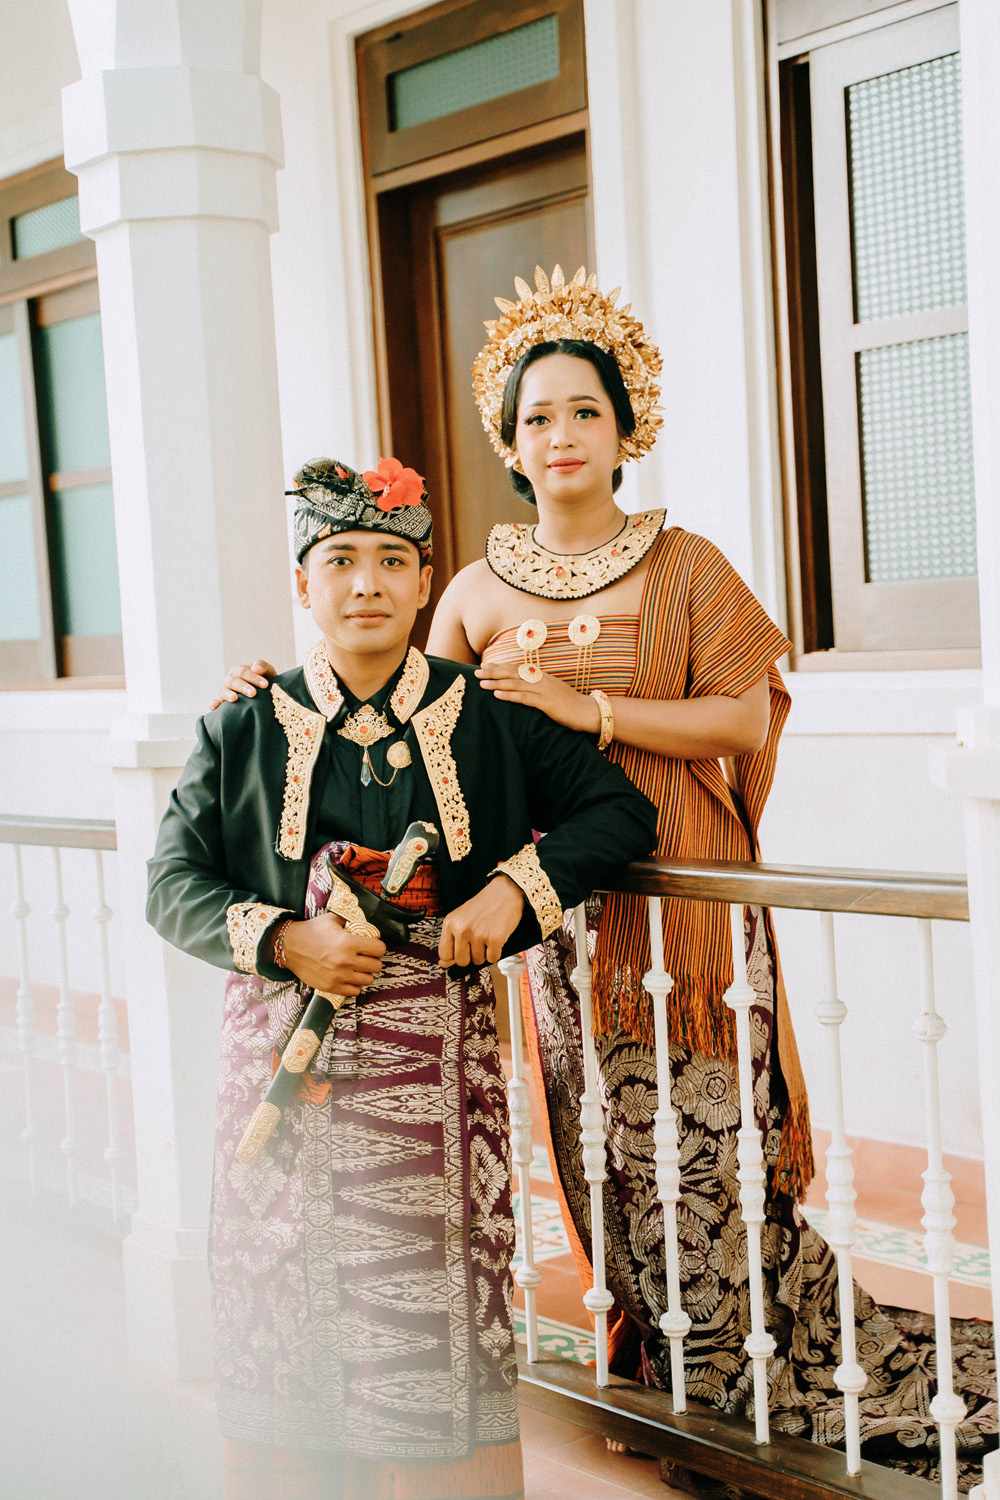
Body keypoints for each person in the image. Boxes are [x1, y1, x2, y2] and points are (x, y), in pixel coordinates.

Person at [212, 271, 997, 1493]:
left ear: (627, 430)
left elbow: (742, 718)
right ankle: (665, 1358)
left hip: (685, 906)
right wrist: (268, 693)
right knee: (601, 1145)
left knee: (708, 1140)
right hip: (554, 913)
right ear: (508, 442)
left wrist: (594, 710)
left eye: (584, 411)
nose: (561, 435)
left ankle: (747, 1371)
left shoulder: (686, 565)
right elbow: (396, 710)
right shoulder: (471, 589)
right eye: (536, 417)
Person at [148, 455, 658, 1500]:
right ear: (304, 584)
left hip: (434, 1093)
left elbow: (619, 812)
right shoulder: (241, 723)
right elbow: (170, 882)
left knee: (430, 1297)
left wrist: (513, 891)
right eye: (339, 560)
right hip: (282, 1066)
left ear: (426, 583)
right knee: (280, 1281)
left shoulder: (489, 715)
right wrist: (287, 940)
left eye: (391, 560)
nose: (366, 584)